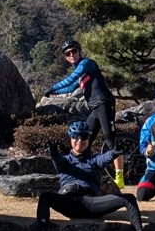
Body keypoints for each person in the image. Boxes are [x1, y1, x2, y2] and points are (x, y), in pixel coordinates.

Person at [22, 121, 155, 231]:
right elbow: (59, 161)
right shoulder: (66, 161)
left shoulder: (93, 160)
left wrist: (115, 152)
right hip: (70, 202)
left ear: (88, 140)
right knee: (45, 197)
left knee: (128, 198)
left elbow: (105, 157)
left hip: (91, 203)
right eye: (75, 137)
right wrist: (54, 153)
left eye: (84, 137)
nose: (79, 141)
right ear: (70, 139)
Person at [42, 39, 124, 188]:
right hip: (94, 109)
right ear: (66, 57)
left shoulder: (87, 64)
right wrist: (52, 92)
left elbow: (71, 78)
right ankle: (83, 171)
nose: (71, 54)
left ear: (79, 51)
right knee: (85, 138)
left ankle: (119, 177)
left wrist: (52, 86)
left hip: (104, 105)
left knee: (111, 141)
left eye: (74, 51)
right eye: (68, 53)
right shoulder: (81, 72)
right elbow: (71, 87)